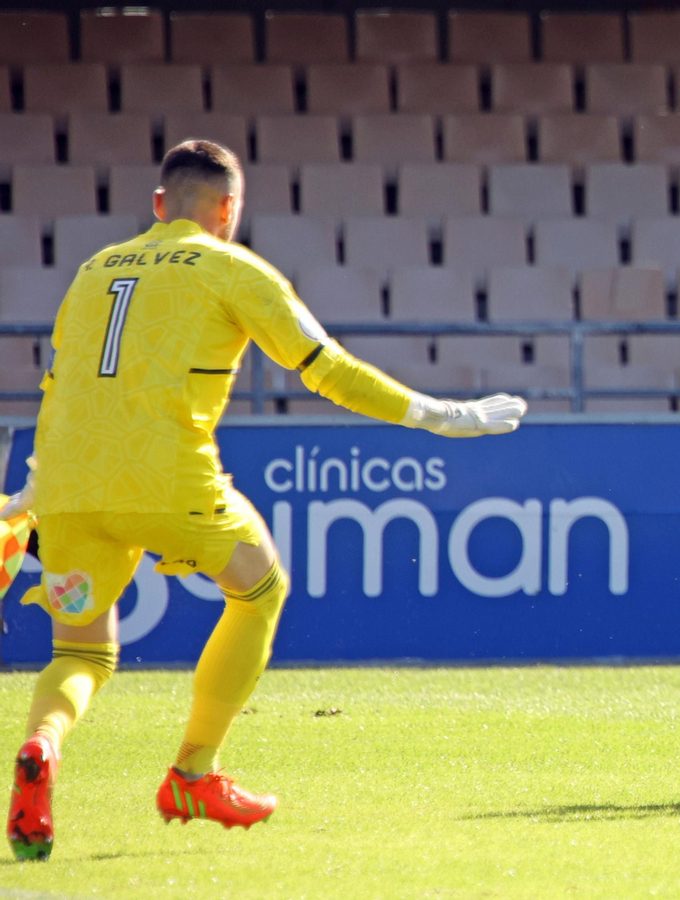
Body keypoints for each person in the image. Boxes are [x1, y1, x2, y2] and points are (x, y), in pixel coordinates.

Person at [7, 140, 529, 861]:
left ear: (158, 205)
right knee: (260, 587)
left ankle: (41, 744)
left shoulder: (93, 272)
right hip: (166, 478)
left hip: (68, 483)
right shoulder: (234, 267)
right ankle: (193, 773)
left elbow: (61, 389)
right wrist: (443, 415)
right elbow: (328, 371)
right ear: (229, 210)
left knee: (81, 649)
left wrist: (32, 492)